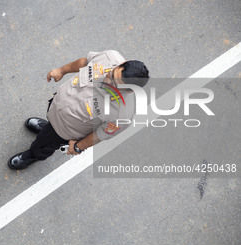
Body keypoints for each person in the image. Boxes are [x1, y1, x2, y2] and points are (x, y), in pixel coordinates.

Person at [8, 50, 149, 170]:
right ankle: (47, 126)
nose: (108, 81)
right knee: (49, 127)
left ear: (130, 91)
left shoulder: (122, 115)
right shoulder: (109, 57)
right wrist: (61, 70)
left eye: (116, 85)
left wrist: (78, 147)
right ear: (121, 64)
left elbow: (99, 135)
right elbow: (84, 62)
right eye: (112, 75)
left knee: (44, 145)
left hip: (64, 131)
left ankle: (33, 155)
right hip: (57, 104)